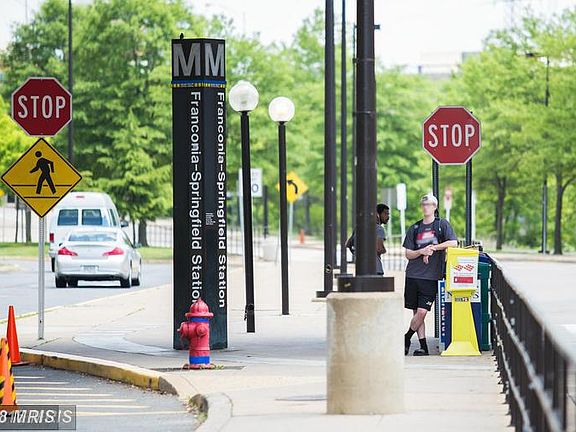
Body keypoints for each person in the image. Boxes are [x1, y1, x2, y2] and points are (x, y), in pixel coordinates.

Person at [403, 194, 457, 356]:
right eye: (424, 204)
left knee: (422, 312)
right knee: (416, 313)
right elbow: (408, 254)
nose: (426, 207)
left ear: (435, 207)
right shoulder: (415, 228)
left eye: (429, 204)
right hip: (413, 275)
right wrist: (421, 251)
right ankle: (423, 347)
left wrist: (433, 247)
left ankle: (406, 338)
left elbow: (453, 242)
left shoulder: (441, 225)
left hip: (431, 276)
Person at [346, 204, 390, 275]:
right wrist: (384, 251)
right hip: (375, 269)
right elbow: (379, 248)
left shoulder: (359, 227)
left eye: (388, 214)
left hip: (361, 269)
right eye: (385, 213)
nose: (388, 217)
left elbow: (348, 244)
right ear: (377, 214)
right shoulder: (379, 229)